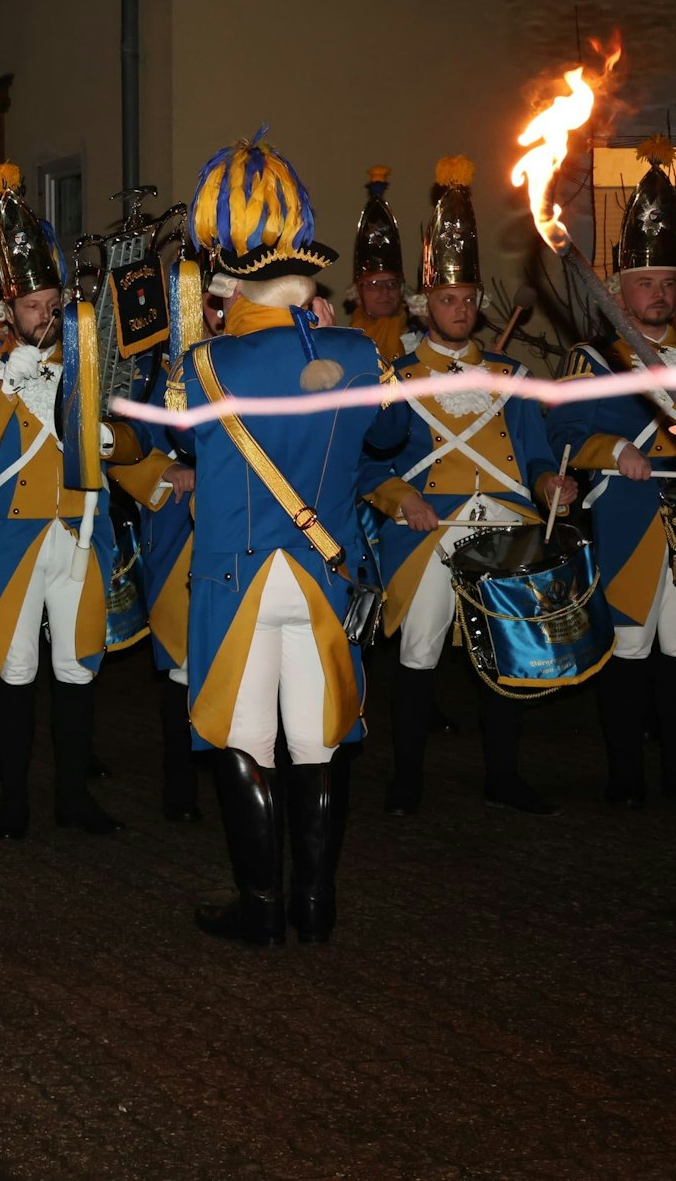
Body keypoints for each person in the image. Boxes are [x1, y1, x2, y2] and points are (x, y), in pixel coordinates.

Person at [169, 131, 397, 946]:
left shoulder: (202, 362)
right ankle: (316, 906)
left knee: (242, 740)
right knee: (318, 740)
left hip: (236, 578)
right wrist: (336, 342)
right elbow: (390, 441)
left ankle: (261, 908)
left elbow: (179, 449)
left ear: (231, 284)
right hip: (325, 576)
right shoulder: (355, 351)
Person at [360, 156, 576, 817]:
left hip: (503, 523)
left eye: (468, 299)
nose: (460, 310)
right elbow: (369, 465)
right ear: (427, 304)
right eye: (448, 300)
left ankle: (502, 773)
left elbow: (536, 453)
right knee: (421, 647)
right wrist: (405, 500)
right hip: (431, 525)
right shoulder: (392, 374)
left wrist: (548, 485)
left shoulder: (510, 372)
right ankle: (407, 778)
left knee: (504, 650)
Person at [0, 166, 137, 841]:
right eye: (33, 305)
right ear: (6, 311)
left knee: (77, 666)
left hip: (81, 534)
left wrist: (117, 439)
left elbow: (121, 447)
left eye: (53, 302)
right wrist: (10, 385)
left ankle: (72, 796)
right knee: (16, 668)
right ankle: (14, 799)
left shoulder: (90, 369)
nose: (46, 315)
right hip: (14, 538)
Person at [551, 135, 676, 807]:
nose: (658, 294)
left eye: (667, 283)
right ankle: (626, 778)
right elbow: (567, 431)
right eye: (646, 283)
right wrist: (615, 451)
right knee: (629, 654)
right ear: (621, 290)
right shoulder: (594, 359)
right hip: (628, 521)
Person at [107, 245, 223, 823]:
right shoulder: (150, 369)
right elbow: (115, 446)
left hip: (249, 527)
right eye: (193, 297)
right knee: (181, 660)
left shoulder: (243, 361)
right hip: (178, 528)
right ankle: (180, 787)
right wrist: (165, 472)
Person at [349, 165, 417, 362]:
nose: (384, 292)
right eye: (373, 285)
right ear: (357, 294)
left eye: (391, 284)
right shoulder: (343, 345)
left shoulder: (420, 346)